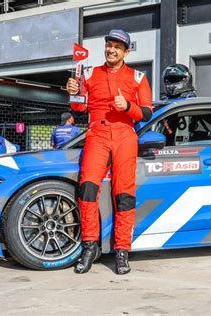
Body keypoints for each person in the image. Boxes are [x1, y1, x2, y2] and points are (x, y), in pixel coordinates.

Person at [66, 29, 152, 275]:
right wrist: (73, 91)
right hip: (97, 135)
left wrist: (127, 107)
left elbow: (147, 113)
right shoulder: (90, 73)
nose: (111, 49)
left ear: (126, 51)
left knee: (124, 195)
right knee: (87, 189)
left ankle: (122, 251)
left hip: (125, 135)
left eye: (117, 46)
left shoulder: (137, 77)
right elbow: (78, 107)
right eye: (108, 45)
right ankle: (90, 246)